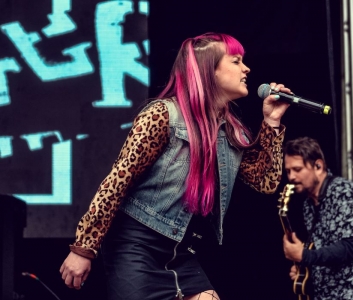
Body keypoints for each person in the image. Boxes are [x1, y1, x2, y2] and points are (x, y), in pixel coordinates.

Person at [59, 32, 291, 300]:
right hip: (136, 247)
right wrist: (84, 247)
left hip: (181, 251)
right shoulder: (161, 115)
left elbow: (265, 182)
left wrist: (272, 122)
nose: (246, 68)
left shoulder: (231, 131)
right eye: (236, 61)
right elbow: (116, 182)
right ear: (209, 71)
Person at [282, 137, 353, 299]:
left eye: (297, 169)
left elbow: (348, 248)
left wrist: (304, 256)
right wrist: (304, 269)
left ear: (318, 166)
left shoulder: (343, 191)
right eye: (288, 171)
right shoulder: (308, 205)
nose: (291, 177)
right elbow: (324, 252)